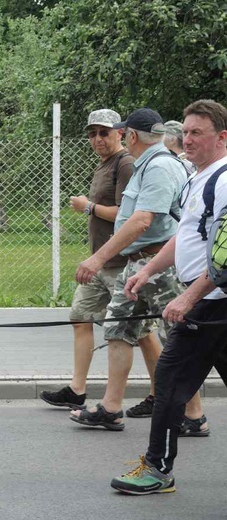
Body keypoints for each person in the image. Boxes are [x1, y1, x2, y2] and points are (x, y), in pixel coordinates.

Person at [111, 99, 227, 494]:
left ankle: (158, 470)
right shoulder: (198, 177)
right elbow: (187, 236)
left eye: (197, 133)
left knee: (169, 377)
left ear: (222, 137)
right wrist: (147, 270)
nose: (186, 139)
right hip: (210, 303)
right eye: (186, 132)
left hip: (214, 304)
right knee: (172, 378)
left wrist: (188, 298)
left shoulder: (223, 180)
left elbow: (225, 256)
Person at [70, 108, 197, 431]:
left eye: (123, 133)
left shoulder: (159, 166)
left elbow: (142, 221)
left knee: (175, 339)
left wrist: (97, 258)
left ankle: (193, 416)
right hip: (138, 263)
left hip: (158, 264)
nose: (122, 138)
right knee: (118, 327)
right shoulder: (149, 164)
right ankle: (111, 409)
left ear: (132, 135)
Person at [40, 109, 163, 416]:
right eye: (92, 133)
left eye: (104, 132)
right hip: (99, 263)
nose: (97, 139)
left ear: (121, 133)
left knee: (142, 332)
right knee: (80, 317)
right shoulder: (104, 165)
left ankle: (160, 394)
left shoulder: (126, 165)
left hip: (122, 262)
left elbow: (127, 215)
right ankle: (77, 390)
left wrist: (88, 207)